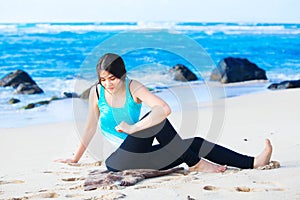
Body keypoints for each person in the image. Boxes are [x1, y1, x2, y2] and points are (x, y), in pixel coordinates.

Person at [56, 53, 273, 173]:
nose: (108, 84)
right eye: (103, 80)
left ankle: (252, 162)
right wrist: (75, 159)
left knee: (195, 142)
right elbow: (90, 127)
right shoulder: (97, 92)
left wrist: (133, 128)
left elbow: (164, 108)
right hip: (119, 161)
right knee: (157, 123)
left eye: (112, 78)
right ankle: (196, 164)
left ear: (122, 75)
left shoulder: (134, 87)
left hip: (145, 157)